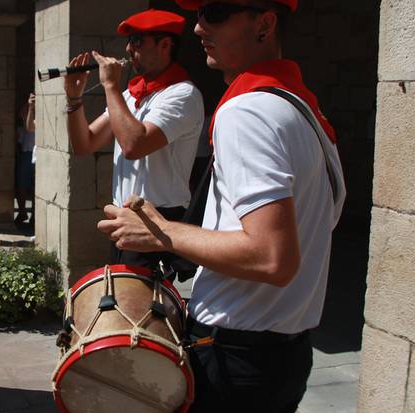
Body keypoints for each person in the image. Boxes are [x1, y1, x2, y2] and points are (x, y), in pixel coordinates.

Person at [97, 0, 347, 411]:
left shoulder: (247, 110)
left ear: (264, 24)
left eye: (214, 14)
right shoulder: (301, 108)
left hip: (236, 354)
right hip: (283, 352)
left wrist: (162, 232)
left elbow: (272, 258)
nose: (198, 29)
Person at [65, 9, 204, 275]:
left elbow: (134, 146)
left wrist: (110, 87)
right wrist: (74, 99)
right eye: (129, 42)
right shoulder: (130, 94)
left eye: (138, 41)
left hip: (159, 218)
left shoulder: (182, 94)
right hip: (124, 217)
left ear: (165, 45)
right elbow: (85, 143)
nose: (129, 49)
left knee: (144, 307)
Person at [14, 93, 35, 229]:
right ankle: (22, 212)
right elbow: (24, 120)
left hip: (36, 154)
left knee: (35, 188)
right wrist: (30, 105)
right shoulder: (28, 111)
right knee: (21, 185)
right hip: (27, 153)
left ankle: (34, 215)